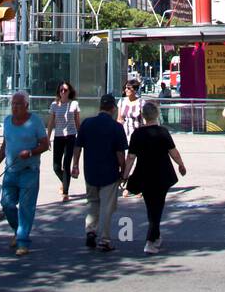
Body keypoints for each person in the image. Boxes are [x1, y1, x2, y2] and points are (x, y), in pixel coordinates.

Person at [122, 99, 186, 255]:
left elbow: (131, 157)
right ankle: (151, 240)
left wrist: (125, 175)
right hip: (162, 174)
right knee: (157, 207)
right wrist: (181, 164)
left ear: (143, 116)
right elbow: (173, 152)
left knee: (151, 206)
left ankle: (155, 237)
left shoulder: (137, 134)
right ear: (156, 115)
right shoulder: (163, 132)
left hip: (144, 174)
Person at [0, 91, 49, 255]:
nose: (15, 108)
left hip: (29, 171)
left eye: (18, 104)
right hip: (10, 170)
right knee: (7, 204)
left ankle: (23, 242)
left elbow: (45, 145)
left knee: (25, 207)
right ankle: (18, 231)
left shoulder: (35, 122)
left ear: (26, 106)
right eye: (13, 104)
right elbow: (5, 145)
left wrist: (30, 152)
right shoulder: (7, 122)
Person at [71, 93, 127, 252]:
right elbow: (120, 153)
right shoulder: (116, 127)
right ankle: (104, 239)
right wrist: (123, 170)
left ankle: (90, 230)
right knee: (107, 207)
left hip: (90, 171)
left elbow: (77, 146)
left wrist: (75, 165)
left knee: (92, 203)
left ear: (100, 107)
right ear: (113, 108)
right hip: (109, 172)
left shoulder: (87, 123)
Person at [46, 81, 81, 200]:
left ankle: (65, 192)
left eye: (65, 90)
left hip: (71, 136)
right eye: (61, 90)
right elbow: (50, 123)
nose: (63, 92)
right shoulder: (54, 105)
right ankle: (64, 181)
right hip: (58, 137)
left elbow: (77, 123)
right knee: (56, 166)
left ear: (69, 91)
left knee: (66, 164)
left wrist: (80, 138)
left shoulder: (74, 104)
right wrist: (47, 138)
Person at [118, 79, 143, 145]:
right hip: (125, 135)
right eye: (125, 88)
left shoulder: (141, 102)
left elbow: (144, 121)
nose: (126, 90)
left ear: (135, 90)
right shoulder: (122, 101)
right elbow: (119, 119)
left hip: (138, 136)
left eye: (128, 88)